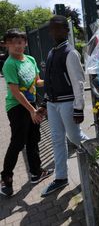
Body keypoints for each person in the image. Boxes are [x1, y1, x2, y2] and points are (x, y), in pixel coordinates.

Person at [0, 29, 53, 197]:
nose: (17, 45)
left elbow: (37, 82)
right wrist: (32, 111)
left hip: (30, 104)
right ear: (6, 44)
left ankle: (36, 173)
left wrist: (51, 80)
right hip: (16, 107)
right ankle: (6, 179)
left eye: (20, 42)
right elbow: (15, 91)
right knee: (18, 142)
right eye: (13, 42)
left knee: (33, 139)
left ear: (25, 43)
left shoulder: (30, 59)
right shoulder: (9, 64)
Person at [41, 15, 89, 197]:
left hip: (68, 102)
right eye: (52, 28)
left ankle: (97, 157)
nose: (54, 31)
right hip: (53, 104)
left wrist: (79, 108)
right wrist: (45, 103)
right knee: (56, 139)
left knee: (75, 136)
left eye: (58, 28)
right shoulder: (52, 51)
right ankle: (61, 177)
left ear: (66, 30)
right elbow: (49, 81)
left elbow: (78, 83)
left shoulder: (70, 52)